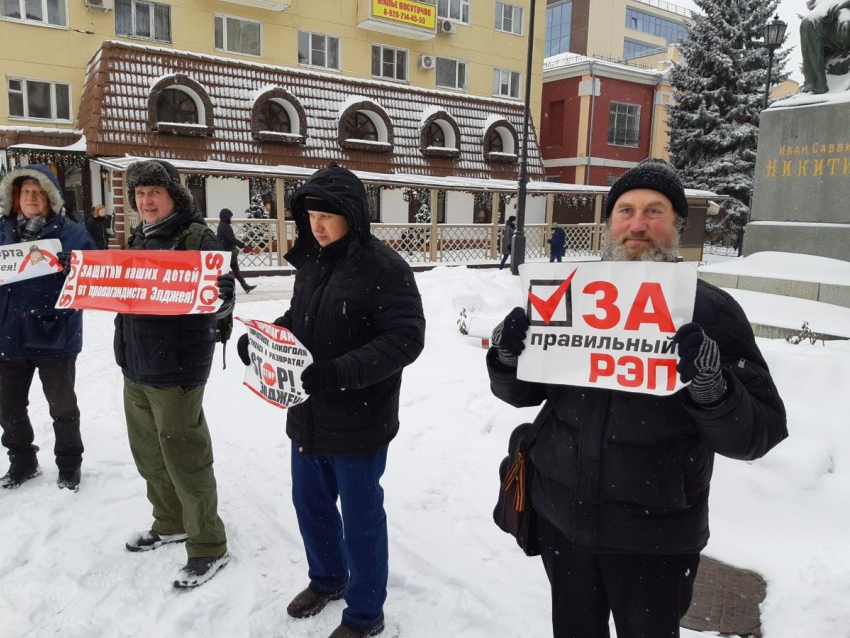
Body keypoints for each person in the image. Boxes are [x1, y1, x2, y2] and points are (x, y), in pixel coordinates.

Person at [487, 159, 788, 638]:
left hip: (655, 537)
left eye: (655, 210)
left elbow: (760, 432)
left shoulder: (710, 310)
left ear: (677, 224)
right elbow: (524, 394)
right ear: (609, 223)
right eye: (625, 210)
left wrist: (715, 391)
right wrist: (506, 359)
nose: (638, 223)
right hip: (563, 521)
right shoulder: (570, 294)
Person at [236, 163, 425, 638]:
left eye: (327, 216)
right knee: (310, 507)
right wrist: (265, 342)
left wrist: (337, 373)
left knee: (360, 523)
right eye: (311, 215)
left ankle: (365, 613)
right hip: (307, 414)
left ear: (352, 216)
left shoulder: (385, 268)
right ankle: (327, 579)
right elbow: (300, 316)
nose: (316, 226)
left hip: (360, 420)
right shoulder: (313, 260)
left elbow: (405, 339)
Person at [116, 159, 233, 589]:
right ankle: (169, 521)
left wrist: (217, 296)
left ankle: (208, 545)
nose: (146, 201)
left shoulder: (197, 237)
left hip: (177, 368)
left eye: (154, 193)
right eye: (140, 193)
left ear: (173, 196)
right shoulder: (138, 235)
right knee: (149, 453)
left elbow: (222, 294)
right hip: (136, 363)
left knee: (185, 457)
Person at [0, 165, 97, 491]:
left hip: (54, 336)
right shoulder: (2, 230)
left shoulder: (72, 233)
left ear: (50, 199)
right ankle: (22, 462)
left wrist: (78, 268)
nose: (30, 197)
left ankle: (69, 466)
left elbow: (97, 278)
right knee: (9, 408)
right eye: (25, 192)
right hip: (7, 337)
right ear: (15, 197)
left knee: (63, 408)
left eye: (37, 192)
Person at [801, 1, 850, 94]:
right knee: (808, 22)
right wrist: (838, 11)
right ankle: (816, 83)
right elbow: (812, 4)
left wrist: (845, 12)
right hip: (833, 22)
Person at [216, 208, 257, 293]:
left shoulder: (222, 225)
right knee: (232, 271)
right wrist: (244, 245)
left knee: (232, 271)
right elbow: (232, 239)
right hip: (228, 252)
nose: (231, 219)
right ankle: (228, 288)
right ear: (226, 217)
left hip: (226, 252)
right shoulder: (225, 226)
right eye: (230, 217)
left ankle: (244, 286)